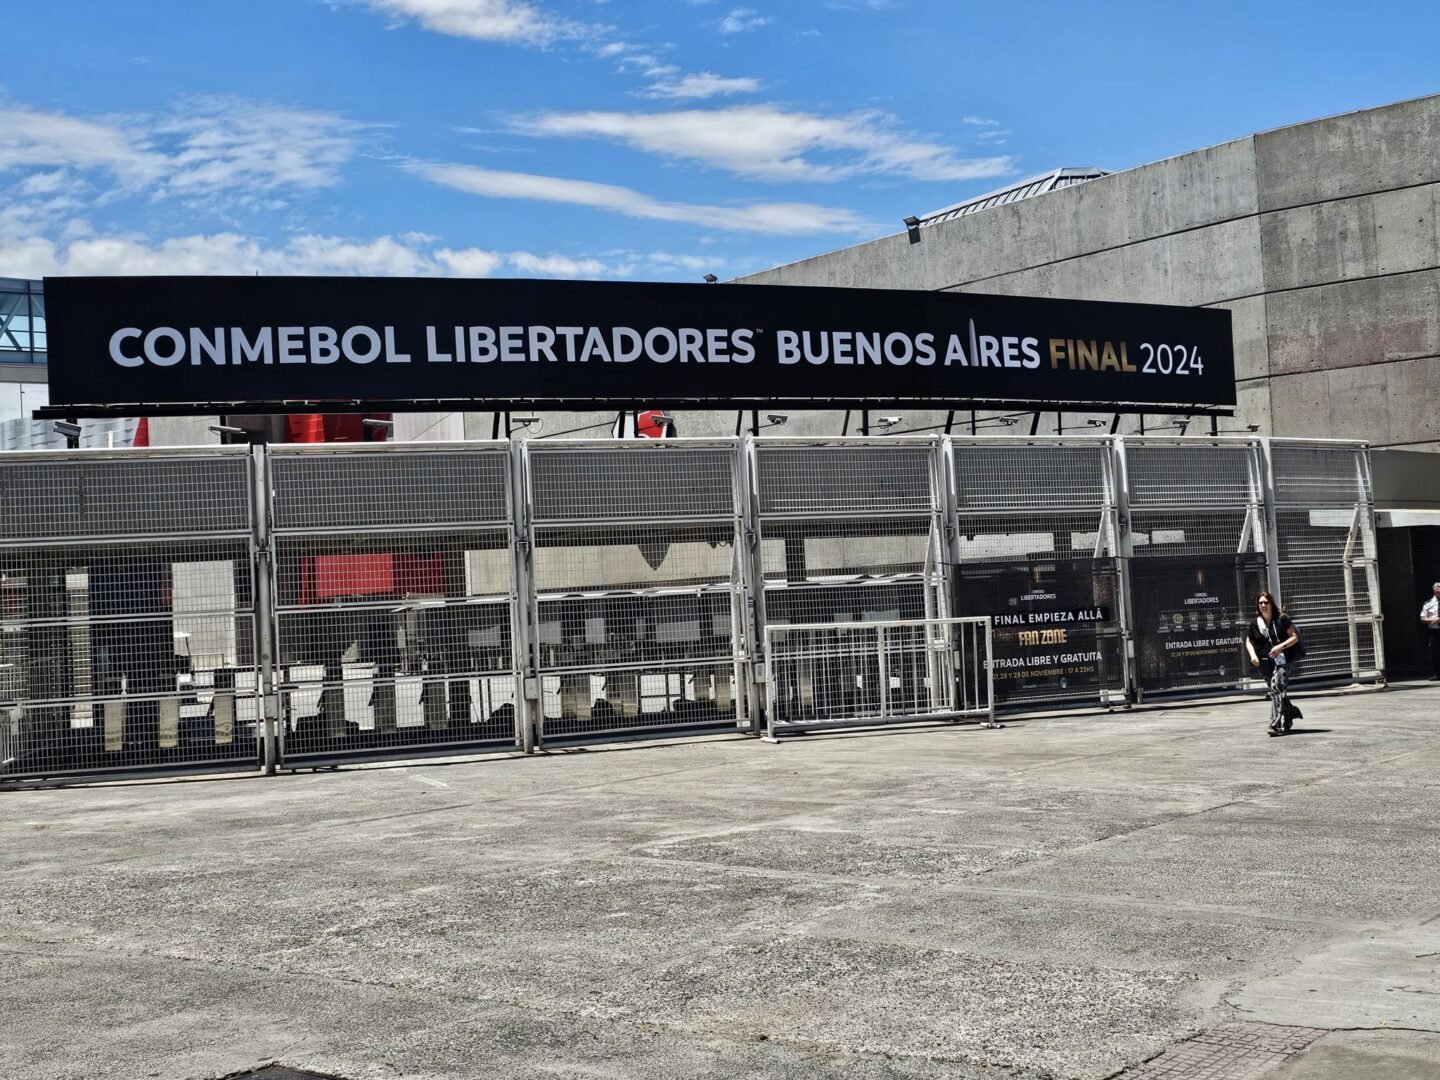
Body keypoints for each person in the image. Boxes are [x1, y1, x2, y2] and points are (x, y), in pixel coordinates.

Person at [1245, 592, 1301, 736]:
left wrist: (1280, 647)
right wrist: (1253, 656)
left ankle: (1274, 723)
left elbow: (1295, 637)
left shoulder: (1282, 619)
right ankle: (1290, 713)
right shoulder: (1256, 624)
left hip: (1284, 660)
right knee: (1279, 690)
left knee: (1276, 687)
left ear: (1271, 604)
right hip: (1267, 663)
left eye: (1266, 602)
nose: (1263, 605)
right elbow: (1249, 641)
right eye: (1260, 603)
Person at [1422, 581, 1440, 681]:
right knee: (1435, 654)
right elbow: (1422, 618)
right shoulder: (1428, 603)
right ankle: (1437, 674)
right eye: (1437, 591)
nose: (1438, 592)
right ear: (1434, 591)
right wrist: (1431, 619)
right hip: (1435, 631)